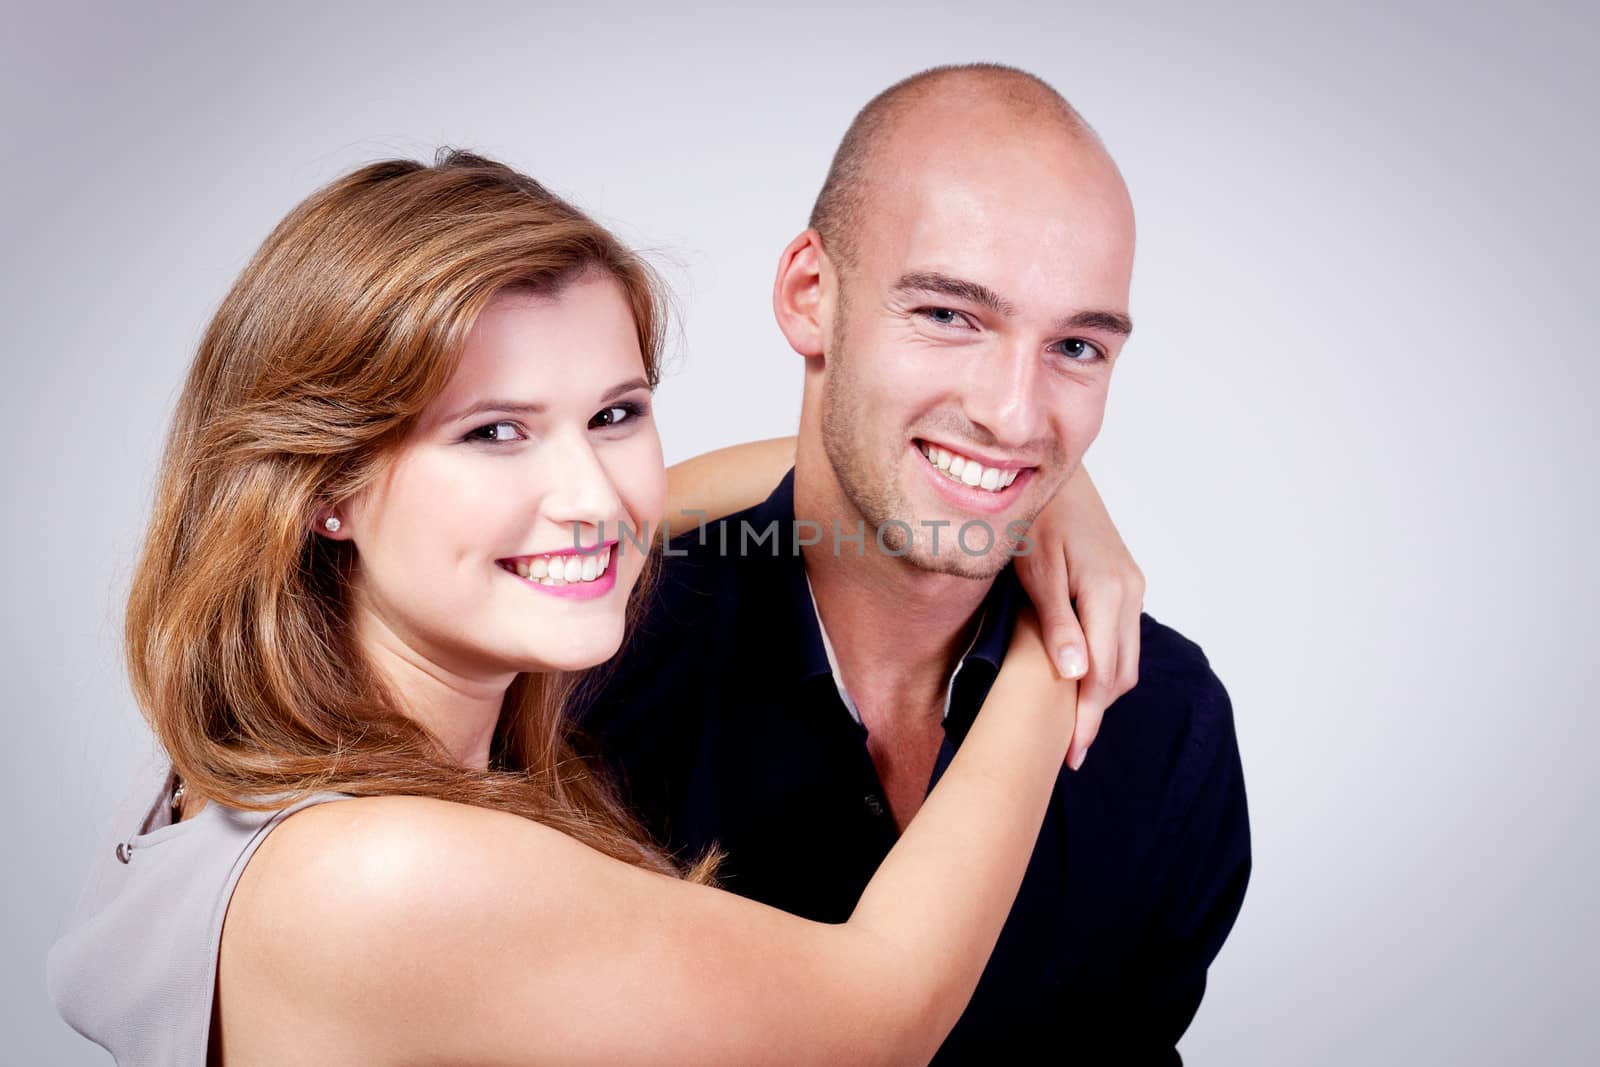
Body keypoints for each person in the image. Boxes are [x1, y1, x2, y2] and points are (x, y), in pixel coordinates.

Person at [47, 148, 1147, 1065]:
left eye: (615, 412)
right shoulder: (386, 874)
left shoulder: (226, 781)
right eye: (494, 431)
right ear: (324, 486)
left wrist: (1001, 477)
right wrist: (1060, 631)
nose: (588, 496)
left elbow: (622, 518)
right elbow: (878, 1015)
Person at [575, 64, 1253, 1064]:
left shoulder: (1167, 719)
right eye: (948, 314)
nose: (1014, 413)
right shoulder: (582, 664)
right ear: (811, 295)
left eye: (1075, 346)